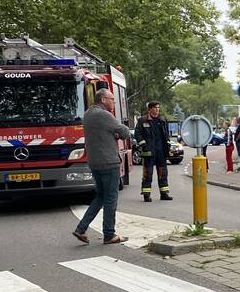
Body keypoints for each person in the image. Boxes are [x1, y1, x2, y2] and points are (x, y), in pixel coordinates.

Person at [72, 89, 132, 244]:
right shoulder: (104, 115)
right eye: (112, 99)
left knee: (100, 196)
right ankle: (109, 234)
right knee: (111, 198)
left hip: (94, 161)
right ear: (104, 99)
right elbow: (125, 132)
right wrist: (117, 132)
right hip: (108, 162)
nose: (113, 102)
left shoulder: (88, 114)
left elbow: (101, 133)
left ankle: (81, 228)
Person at [134, 100, 172, 202]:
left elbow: (166, 135)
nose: (157, 109)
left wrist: (168, 145)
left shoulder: (162, 120)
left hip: (161, 152)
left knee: (163, 173)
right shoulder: (143, 120)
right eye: (155, 107)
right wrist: (144, 145)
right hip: (149, 152)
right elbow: (137, 134)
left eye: (158, 108)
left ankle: (164, 193)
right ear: (149, 109)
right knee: (148, 173)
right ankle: (146, 194)